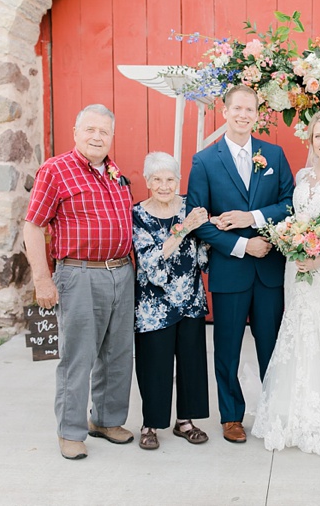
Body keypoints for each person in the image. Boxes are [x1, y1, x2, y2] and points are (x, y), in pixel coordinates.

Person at [23, 104, 135, 460]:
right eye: (90, 129)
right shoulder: (55, 170)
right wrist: (42, 279)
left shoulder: (116, 174)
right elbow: (33, 226)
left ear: (112, 136)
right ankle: (70, 431)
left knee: (117, 354)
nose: (97, 136)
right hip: (79, 272)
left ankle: (105, 419)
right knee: (78, 356)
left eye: (104, 131)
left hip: (121, 271)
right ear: (75, 132)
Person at [186, 84, 295, 443]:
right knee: (227, 347)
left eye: (251, 109)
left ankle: (271, 411)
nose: (244, 115)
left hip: (269, 270)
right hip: (231, 269)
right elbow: (198, 220)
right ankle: (231, 417)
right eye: (238, 109)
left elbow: (289, 204)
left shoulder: (274, 155)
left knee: (272, 345)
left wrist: (251, 218)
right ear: (225, 111)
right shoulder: (204, 160)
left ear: (257, 113)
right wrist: (242, 246)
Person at [251, 111, 320, 457]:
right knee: (296, 330)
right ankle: (291, 414)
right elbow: (296, 219)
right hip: (296, 268)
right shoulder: (302, 175)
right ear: (310, 141)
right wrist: (290, 242)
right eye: (318, 137)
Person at [132, 152, 211, 450]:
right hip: (153, 305)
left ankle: (186, 422)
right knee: (155, 364)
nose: (164, 185)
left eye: (170, 179)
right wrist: (184, 228)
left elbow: (205, 249)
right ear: (148, 181)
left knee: (191, 362)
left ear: (178, 180)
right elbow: (150, 260)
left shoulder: (190, 207)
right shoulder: (138, 214)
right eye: (157, 179)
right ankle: (150, 424)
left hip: (189, 298)